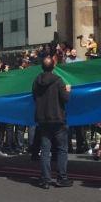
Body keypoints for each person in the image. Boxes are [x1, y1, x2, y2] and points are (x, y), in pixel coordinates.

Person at [32, 55, 72, 189]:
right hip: (58, 119)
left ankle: (45, 179)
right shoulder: (58, 81)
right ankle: (62, 178)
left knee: (45, 150)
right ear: (54, 66)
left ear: (42, 67)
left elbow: (34, 97)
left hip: (43, 119)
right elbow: (65, 99)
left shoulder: (36, 81)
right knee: (61, 149)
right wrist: (68, 90)